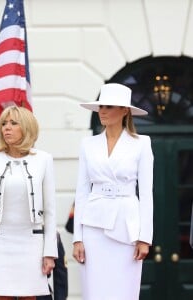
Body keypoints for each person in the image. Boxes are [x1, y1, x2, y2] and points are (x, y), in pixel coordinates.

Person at [73, 83, 154, 300]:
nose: (103, 111)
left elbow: (146, 195)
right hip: (93, 228)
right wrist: (77, 238)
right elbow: (81, 192)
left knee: (124, 292)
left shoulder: (142, 144)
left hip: (126, 230)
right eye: (100, 107)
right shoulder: (87, 144)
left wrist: (145, 237)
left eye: (109, 106)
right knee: (94, 292)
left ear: (124, 110)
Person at [0, 106, 58, 300]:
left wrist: (49, 253)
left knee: (30, 296)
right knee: (3, 296)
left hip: (32, 242)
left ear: (27, 128)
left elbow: (50, 212)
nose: (6, 128)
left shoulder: (44, 160)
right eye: (4, 123)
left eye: (13, 123)